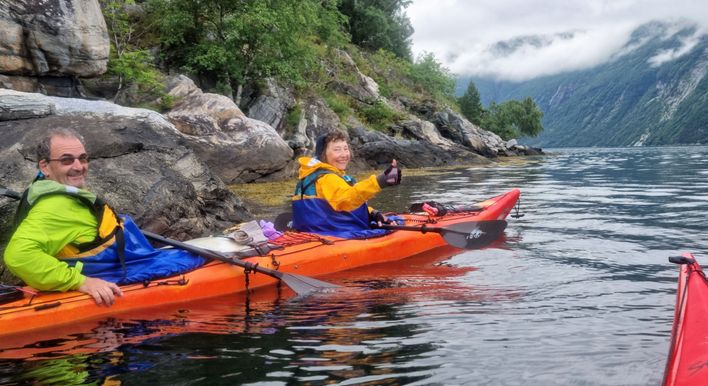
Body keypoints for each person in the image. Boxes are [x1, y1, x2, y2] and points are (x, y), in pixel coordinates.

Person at [3, 128, 205, 306]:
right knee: (197, 258)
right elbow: (18, 256)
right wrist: (82, 282)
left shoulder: (48, 192)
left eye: (82, 158)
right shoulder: (55, 206)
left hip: (115, 264)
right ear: (45, 167)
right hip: (113, 275)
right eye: (66, 160)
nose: (78, 166)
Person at [292, 131, 402, 238]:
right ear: (323, 154)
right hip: (335, 235)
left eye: (345, 149)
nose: (344, 155)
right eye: (337, 150)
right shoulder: (328, 178)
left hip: (317, 232)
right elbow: (346, 200)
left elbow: (337, 207)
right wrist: (380, 182)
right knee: (397, 223)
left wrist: (372, 213)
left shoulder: (311, 174)